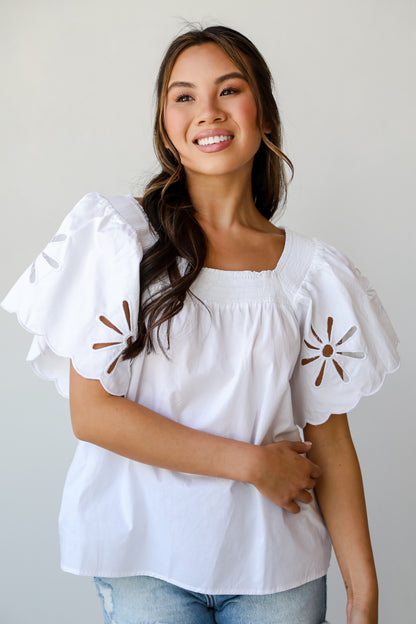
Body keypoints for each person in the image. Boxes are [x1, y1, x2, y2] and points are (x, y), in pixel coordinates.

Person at [1, 25, 399, 624]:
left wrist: (363, 594)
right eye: (183, 96)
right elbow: (93, 414)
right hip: (145, 558)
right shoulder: (117, 239)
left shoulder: (311, 273)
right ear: (166, 126)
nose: (207, 112)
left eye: (229, 89)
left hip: (277, 566)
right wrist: (253, 463)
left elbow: (331, 441)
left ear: (263, 113)